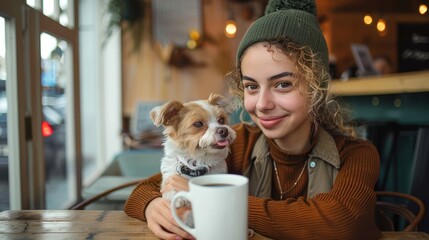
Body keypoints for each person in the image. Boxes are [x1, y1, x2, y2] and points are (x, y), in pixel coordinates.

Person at [124, 0, 382, 239]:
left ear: (316, 87)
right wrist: (150, 206)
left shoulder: (356, 154)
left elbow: (341, 223)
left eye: (282, 84)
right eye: (251, 87)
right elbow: (144, 191)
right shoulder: (235, 144)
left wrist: (208, 199)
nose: (262, 104)